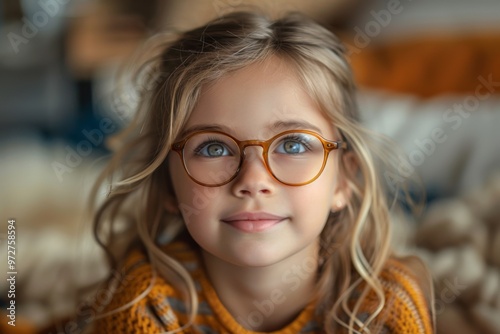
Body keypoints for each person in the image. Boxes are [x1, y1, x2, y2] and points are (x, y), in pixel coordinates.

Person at [83, 11, 434, 334]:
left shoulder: (383, 309)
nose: (253, 180)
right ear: (167, 187)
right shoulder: (143, 306)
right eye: (213, 148)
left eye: (293, 145)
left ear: (344, 178)